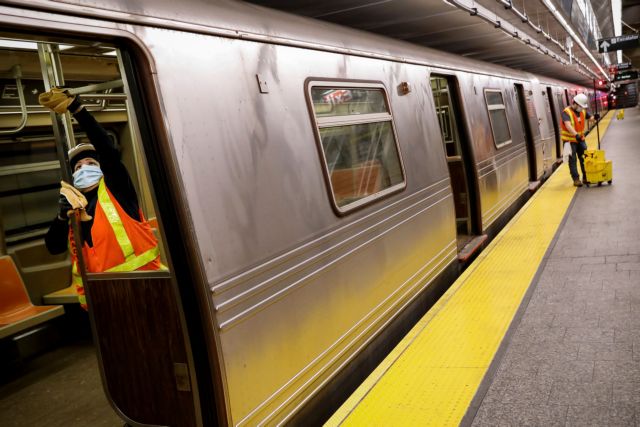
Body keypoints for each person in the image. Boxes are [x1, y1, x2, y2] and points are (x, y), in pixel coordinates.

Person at [40, 88, 161, 310]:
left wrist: (77, 109)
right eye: (78, 167)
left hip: (145, 289)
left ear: (101, 168)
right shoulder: (74, 208)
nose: (84, 169)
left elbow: (107, 150)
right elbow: (53, 247)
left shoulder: (117, 189)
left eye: (91, 163)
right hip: (104, 303)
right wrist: (61, 217)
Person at [560, 93, 597, 187]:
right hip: (569, 141)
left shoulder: (582, 111)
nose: (581, 108)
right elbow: (568, 125)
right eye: (580, 106)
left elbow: (590, 118)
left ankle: (586, 177)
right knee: (572, 161)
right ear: (575, 103)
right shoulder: (566, 112)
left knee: (585, 158)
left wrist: (595, 117)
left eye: (582, 106)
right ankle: (576, 179)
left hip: (580, 140)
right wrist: (576, 135)